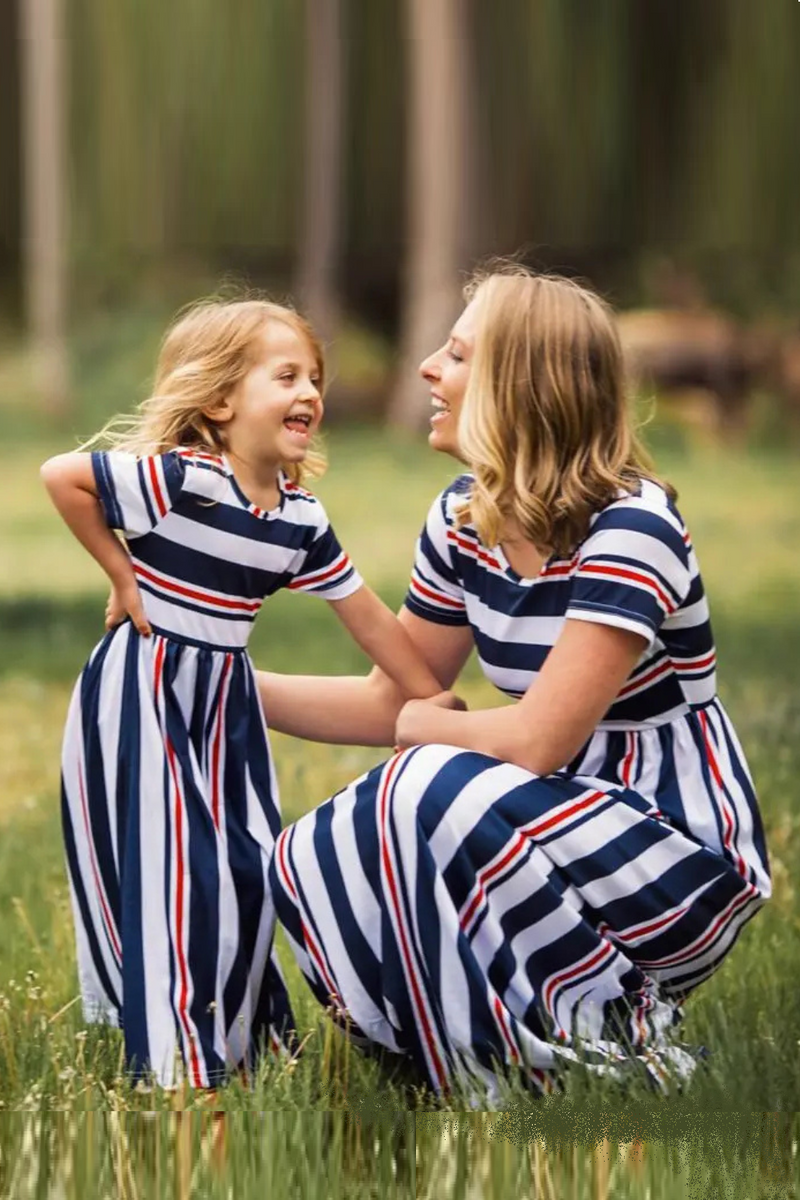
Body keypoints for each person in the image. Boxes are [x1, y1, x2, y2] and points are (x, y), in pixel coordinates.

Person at [258, 266, 772, 1099]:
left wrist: (429, 732)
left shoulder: (633, 527)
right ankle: (455, 1068)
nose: (427, 368)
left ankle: (613, 1057)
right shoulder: (466, 517)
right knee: (306, 852)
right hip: (543, 826)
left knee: (419, 784)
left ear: (521, 385)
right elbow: (393, 698)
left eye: (457, 356)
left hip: (673, 854)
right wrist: (215, 679)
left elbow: (537, 740)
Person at [40, 296, 451, 1090]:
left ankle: (247, 1046)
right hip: (144, 692)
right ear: (221, 400)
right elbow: (64, 477)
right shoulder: (187, 480)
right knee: (175, 870)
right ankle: (178, 1068)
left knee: (242, 865)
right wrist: (124, 577)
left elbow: (366, 617)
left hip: (225, 702)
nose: (310, 393)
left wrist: (432, 693)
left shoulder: (298, 517)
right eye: (287, 375)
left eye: (316, 379)